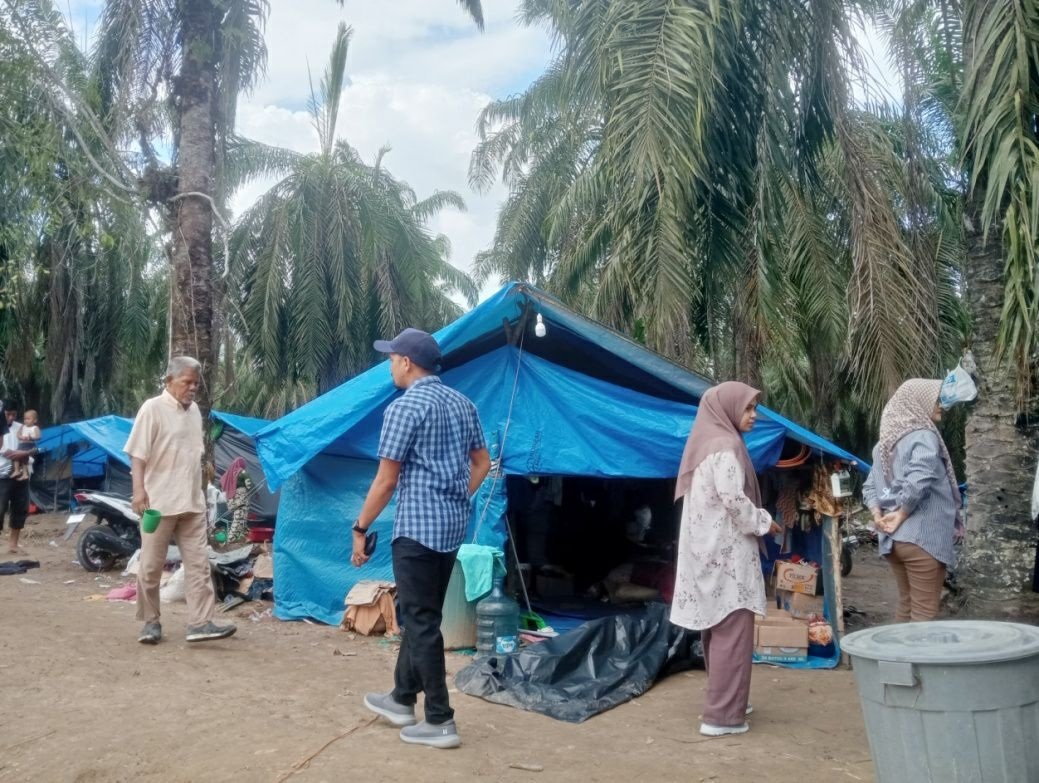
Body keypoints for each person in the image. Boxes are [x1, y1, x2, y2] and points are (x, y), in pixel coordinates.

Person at [353, 328, 490, 750]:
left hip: (416, 530)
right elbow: (482, 463)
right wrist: (454, 496)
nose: (390, 365)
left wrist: (359, 529)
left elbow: (385, 480)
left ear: (407, 362)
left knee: (421, 621)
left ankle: (440, 720)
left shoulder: (404, 408)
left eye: (392, 358)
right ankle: (400, 698)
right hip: (450, 529)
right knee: (421, 613)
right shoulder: (463, 404)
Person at [669, 382, 781, 738]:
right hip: (727, 554)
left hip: (705, 552)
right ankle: (721, 716)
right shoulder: (728, 447)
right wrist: (764, 522)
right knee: (734, 631)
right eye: (748, 409)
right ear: (728, 410)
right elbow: (734, 501)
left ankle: (731, 699)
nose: (754, 416)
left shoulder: (703, 445)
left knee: (717, 630)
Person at [124, 356, 236, 645]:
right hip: (157, 503)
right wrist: (139, 492)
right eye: (187, 382)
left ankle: (200, 623)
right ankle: (151, 622)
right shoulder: (152, 408)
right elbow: (137, 454)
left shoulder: (195, 411)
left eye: (196, 383)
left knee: (199, 564)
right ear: (169, 381)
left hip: (192, 502)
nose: (192, 388)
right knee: (150, 565)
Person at [863, 379, 963, 622]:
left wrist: (878, 516)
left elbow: (869, 486)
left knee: (907, 607)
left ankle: (894, 660)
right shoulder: (923, 435)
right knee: (924, 614)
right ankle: (915, 660)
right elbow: (920, 477)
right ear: (917, 402)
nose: (942, 405)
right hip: (922, 538)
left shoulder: (883, 445)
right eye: (936, 399)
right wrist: (904, 512)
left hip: (894, 540)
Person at [0, 404, 35, 554]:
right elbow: (5, 451)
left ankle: (13, 545)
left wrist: (25, 454)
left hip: (22, 473)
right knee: (0, 509)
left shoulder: (22, 427)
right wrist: (12, 453)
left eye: (13, 414)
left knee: (20, 508)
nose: (11, 418)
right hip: (2, 474)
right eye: (8, 414)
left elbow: (32, 445)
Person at [11, 409, 41, 481]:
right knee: (16, 456)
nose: (26, 420)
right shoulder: (23, 426)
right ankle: (17, 470)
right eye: (25, 419)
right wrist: (21, 437)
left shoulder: (35, 428)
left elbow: (38, 437)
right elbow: (18, 434)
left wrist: (31, 437)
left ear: (35, 420)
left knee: (25, 459)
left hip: (29, 445)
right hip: (22, 444)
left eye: (28, 419)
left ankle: (24, 474)